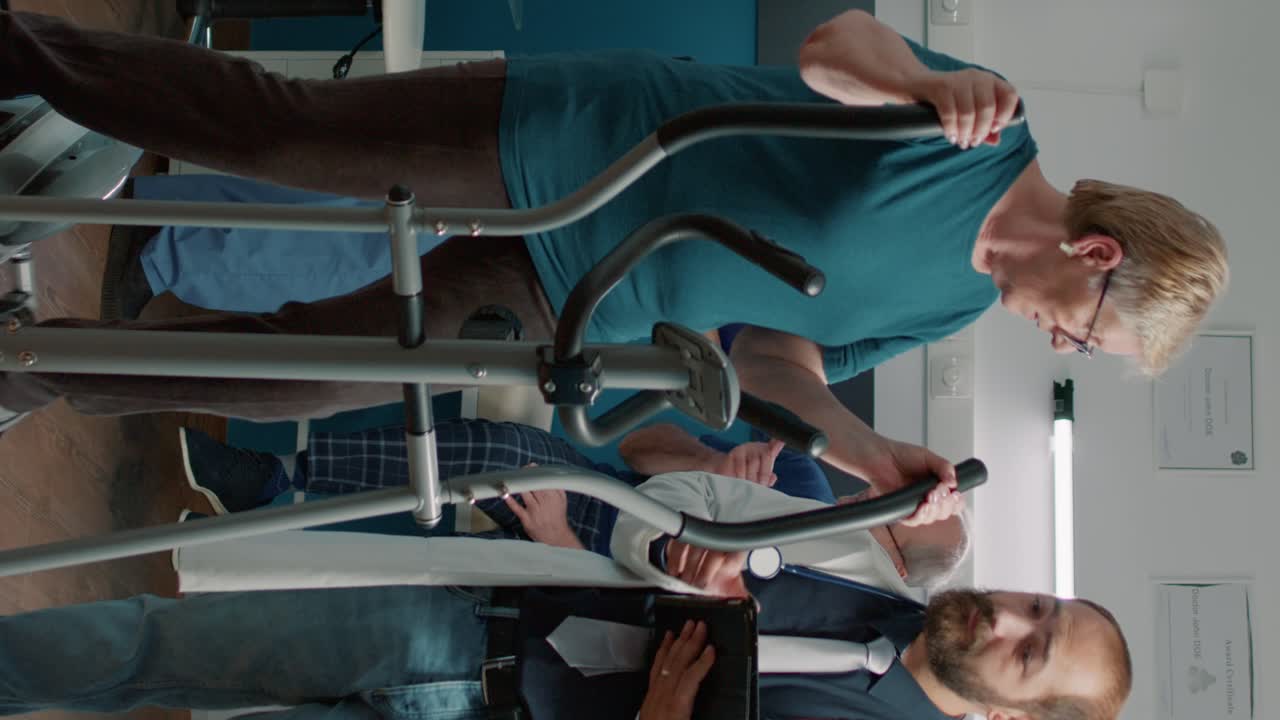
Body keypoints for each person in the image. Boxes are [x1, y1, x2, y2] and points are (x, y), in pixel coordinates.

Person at [0, 9, 1228, 512]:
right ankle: (24, 53)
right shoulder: (976, 128)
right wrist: (919, 82)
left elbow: (783, 353)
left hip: (574, 299)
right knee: (283, 133)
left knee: (312, 376)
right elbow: (827, 45)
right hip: (577, 149)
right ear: (1095, 252)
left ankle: (38, 366)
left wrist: (856, 451)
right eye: (1083, 329)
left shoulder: (956, 301)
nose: (1056, 344)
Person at [0, 464, 1133, 720]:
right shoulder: (873, 567)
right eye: (1038, 602)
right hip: (460, 624)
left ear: (1009, 717)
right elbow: (662, 511)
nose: (1008, 617)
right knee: (155, 644)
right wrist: (679, 551)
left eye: (1030, 649)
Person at [180, 417, 966, 588]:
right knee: (495, 450)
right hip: (622, 496)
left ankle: (242, 546)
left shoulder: (821, 598)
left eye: (886, 507)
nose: (868, 493)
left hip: (597, 574)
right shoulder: (804, 484)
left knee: (478, 563)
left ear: (895, 551)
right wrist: (716, 462)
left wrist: (557, 543)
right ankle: (270, 479)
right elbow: (638, 450)